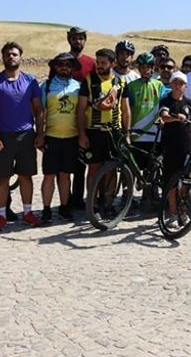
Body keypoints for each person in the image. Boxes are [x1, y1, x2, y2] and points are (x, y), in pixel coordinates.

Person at [0, 41, 44, 230]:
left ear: (20, 57)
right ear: (3, 57)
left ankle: (27, 213)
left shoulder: (30, 81)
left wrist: (40, 133)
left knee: (26, 176)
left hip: (26, 135)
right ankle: (1, 215)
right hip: (3, 136)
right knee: (2, 178)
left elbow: (38, 110)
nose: (11, 57)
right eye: (8, 54)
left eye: (15, 54)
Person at [76, 48, 131, 200]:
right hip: (94, 131)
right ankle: (92, 202)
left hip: (115, 131)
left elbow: (125, 110)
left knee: (112, 169)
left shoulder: (120, 83)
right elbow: (80, 110)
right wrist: (82, 134)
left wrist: (127, 134)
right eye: (97, 62)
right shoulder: (89, 81)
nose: (99, 65)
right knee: (93, 168)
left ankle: (108, 202)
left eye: (103, 63)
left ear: (112, 64)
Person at [38, 53, 81, 223]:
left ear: (72, 68)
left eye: (68, 65)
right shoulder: (47, 86)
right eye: (61, 64)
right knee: (49, 175)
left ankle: (64, 207)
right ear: (55, 67)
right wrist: (40, 134)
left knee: (65, 175)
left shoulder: (78, 86)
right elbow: (40, 112)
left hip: (71, 137)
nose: (64, 67)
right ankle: (46, 209)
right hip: (51, 137)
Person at [159, 72, 191, 227]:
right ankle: (173, 214)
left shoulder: (188, 102)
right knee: (172, 182)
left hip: (187, 146)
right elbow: (164, 115)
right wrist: (176, 117)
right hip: (170, 146)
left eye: (181, 83)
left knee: (187, 182)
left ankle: (183, 211)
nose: (177, 85)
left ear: (185, 86)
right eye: (175, 82)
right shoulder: (166, 100)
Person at [67, 26, 93, 210]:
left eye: (81, 38)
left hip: (87, 119)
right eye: (74, 38)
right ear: (69, 39)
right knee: (65, 164)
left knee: (82, 163)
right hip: (65, 119)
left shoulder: (91, 63)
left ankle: (78, 198)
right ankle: (65, 200)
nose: (78, 41)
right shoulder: (61, 62)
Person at [127, 53, 165, 169]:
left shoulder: (159, 85)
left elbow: (166, 105)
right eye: (142, 67)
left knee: (150, 174)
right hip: (136, 134)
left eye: (148, 66)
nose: (145, 70)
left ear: (153, 67)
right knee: (132, 170)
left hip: (154, 135)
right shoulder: (131, 86)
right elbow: (126, 108)